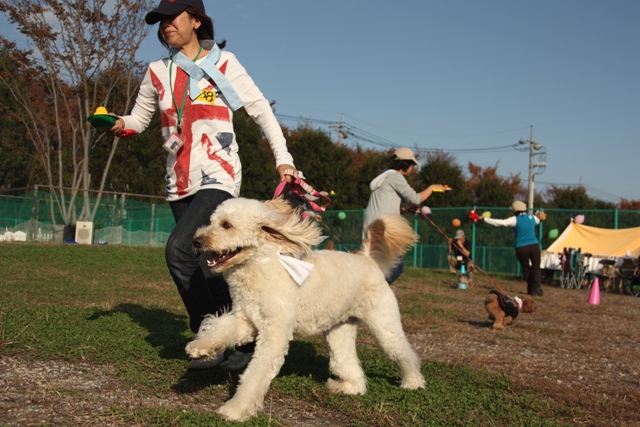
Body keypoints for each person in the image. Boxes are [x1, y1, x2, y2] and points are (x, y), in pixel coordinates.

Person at [110, 0, 298, 371]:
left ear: (196, 20)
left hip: (219, 176)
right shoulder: (156, 72)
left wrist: (284, 157)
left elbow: (260, 109)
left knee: (179, 250)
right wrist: (119, 124)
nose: (165, 26)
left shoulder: (223, 64)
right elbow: (139, 119)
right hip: (177, 182)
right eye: (159, 22)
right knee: (209, 268)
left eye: (172, 18)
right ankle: (242, 341)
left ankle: (208, 338)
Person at [363, 147, 444, 284]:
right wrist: (432, 188)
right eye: (412, 164)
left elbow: (385, 205)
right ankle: (374, 291)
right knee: (396, 265)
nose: (413, 167)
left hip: (373, 228)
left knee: (376, 265)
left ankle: (370, 291)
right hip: (384, 230)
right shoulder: (396, 177)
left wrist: (405, 211)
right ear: (406, 164)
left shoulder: (385, 176)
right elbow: (416, 199)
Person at [480, 201, 546, 296]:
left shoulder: (515, 219)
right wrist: (538, 214)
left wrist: (485, 219)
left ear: (515, 211)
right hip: (534, 245)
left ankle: (531, 288)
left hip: (521, 247)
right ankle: (536, 284)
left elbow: (501, 223)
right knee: (536, 267)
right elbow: (539, 219)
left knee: (526, 269)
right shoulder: (533, 218)